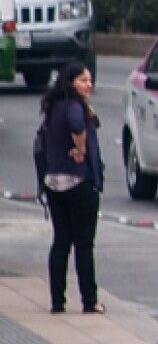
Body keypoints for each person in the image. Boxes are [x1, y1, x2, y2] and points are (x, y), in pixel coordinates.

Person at [41, 62, 106, 314]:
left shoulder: (53, 106)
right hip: (79, 184)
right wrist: (80, 148)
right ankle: (89, 301)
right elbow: (77, 124)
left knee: (61, 241)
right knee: (83, 244)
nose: (88, 85)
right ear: (70, 83)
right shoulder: (73, 106)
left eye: (90, 80)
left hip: (54, 184)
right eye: (83, 80)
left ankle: (58, 301)